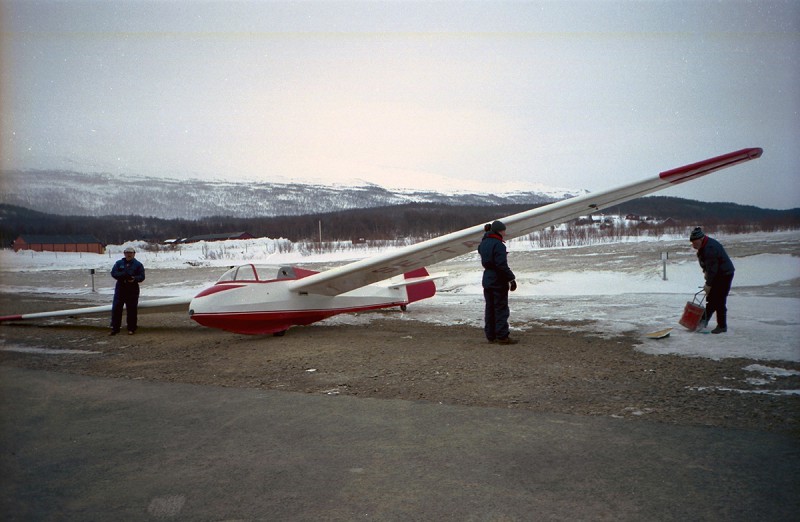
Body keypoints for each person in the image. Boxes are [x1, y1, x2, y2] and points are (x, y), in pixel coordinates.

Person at [478, 220, 518, 344]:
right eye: (503, 231)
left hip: (487, 278)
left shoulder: (483, 243)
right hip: (498, 279)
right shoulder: (499, 245)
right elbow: (501, 265)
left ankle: (491, 335)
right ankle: (502, 336)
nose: (505, 233)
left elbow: (484, 252)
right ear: (499, 231)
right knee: (501, 308)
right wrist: (511, 278)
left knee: (489, 308)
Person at [690, 227, 734, 334]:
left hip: (724, 274)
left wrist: (708, 284)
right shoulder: (704, 245)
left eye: (694, 243)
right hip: (717, 273)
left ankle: (722, 326)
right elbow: (708, 266)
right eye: (692, 243)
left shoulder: (710, 248)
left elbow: (713, 269)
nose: (693, 245)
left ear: (700, 239)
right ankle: (703, 322)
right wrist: (706, 272)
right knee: (711, 299)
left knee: (719, 300)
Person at [110, 246, 145, 335]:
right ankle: (115, 328)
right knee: (116, 308)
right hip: (121, 288)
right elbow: (114, 273)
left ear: (134, 254)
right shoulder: (118, 263)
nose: (129, 254)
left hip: (132, 289)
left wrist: (134, 278)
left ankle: (132, 328)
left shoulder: (138, 264)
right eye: (127, 253)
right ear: (124, 253)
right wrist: (124, 275)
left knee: (132, 309)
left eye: (130, 253)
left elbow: (142, 276)